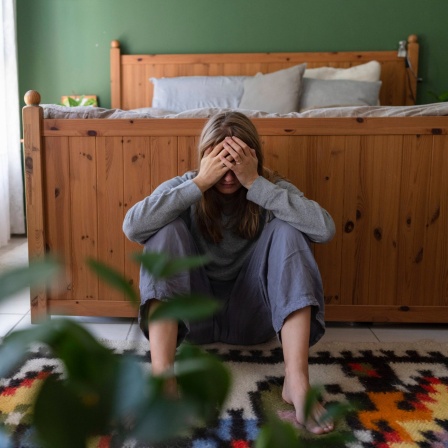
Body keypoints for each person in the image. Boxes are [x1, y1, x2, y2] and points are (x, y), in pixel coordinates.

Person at [122, 111, 335, 434]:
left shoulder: (270, 186)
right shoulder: (187, 184)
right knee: (163, 232)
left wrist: (256, 183)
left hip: (253, 318)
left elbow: (324, 229)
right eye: (220, 160)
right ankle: (163, 377)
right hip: (194, 322)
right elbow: (133, 226)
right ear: (205, 157)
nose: (229, 173)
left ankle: (297, 381)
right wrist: (199, 183)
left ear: (253, 157)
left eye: (237, 160)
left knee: (290, 232)